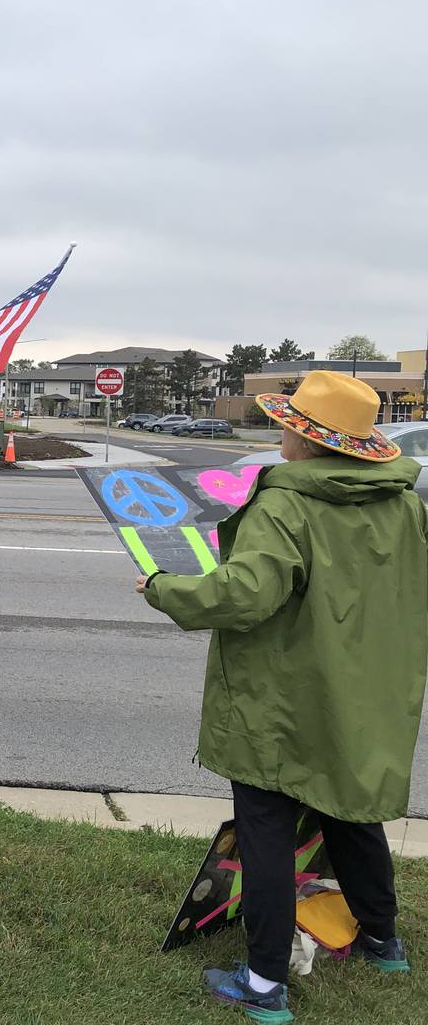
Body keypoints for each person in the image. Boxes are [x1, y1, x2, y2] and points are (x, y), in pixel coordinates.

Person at [137, 371, 428, 1021]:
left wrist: (162, 586)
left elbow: (243, 595)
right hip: (365, 694)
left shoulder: (286, 505)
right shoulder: (406, 504)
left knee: (264, 827)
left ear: (302, 435)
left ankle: (265, 984)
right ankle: (383, 940)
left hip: (283, 700)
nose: (281, 435)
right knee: (351, 815)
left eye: (288, 425)